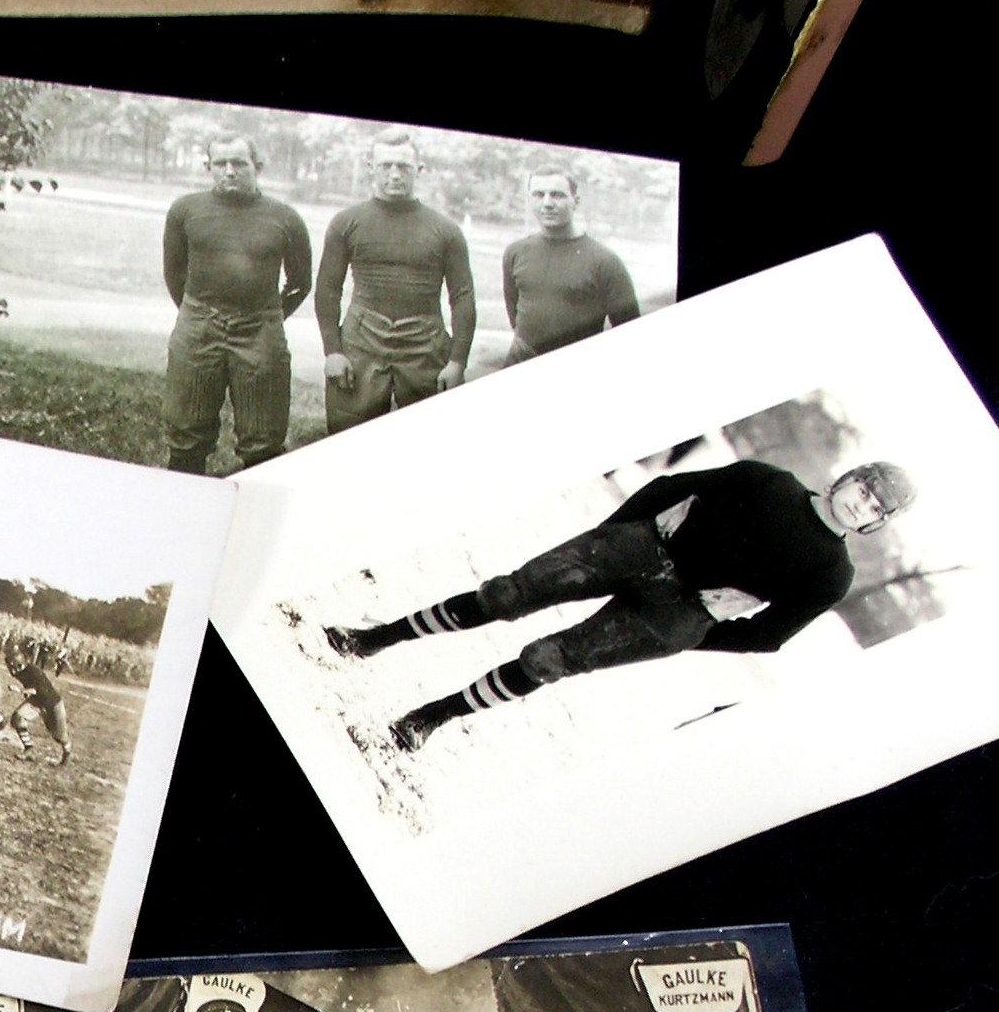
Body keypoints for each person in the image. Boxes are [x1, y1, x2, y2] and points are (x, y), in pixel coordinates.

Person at [326, 457, 920, 752]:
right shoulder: (770, 481)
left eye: (874, 510)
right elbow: (669, 488)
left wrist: (690, 628)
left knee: (548, 660)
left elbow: (767, 635)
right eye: (863, 490)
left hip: (676, 613)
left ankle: (428, 718)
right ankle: (375, 637)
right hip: (644, 546)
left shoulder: (832, 572)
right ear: (847, 479)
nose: (859, 505)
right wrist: (614, 537)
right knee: (508, 593)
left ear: (874, 525)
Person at [159, 133, 312, 474]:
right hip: (198, 327)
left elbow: (301, 283)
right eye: (220, 163)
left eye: (239, 163)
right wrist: (197, 313)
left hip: (260, 331)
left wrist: (269, 319)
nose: (230, 171)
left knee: (264, 440)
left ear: (257, 167)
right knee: (185, 433)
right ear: (208, 167)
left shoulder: (285, 218)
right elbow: (174, 272)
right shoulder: (186, 210)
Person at [316, 130, 476, 438]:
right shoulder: (346, 222)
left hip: (425, 343)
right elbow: (327, 288)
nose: (394, 174)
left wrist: (458, 361)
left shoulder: (445, 230)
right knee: (347, 440)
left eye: (403, 166)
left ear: (419, 170)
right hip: (361, 341)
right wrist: (332, 351)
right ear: (370, 167)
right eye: (385, 165)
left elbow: (463, 296)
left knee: (426, 441)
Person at [500, 165, 641, 365]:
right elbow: (515, 315)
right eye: (539, 195)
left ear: (576, 201)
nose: (547, 203)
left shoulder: (605, 261)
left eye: (558, 195)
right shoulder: (515, 252)